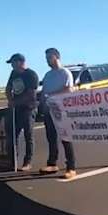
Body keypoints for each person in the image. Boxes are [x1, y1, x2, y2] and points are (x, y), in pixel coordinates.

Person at [39, 48, 77, 179]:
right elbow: (44, 92)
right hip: (48, 111)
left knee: (65, 138)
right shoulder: (48, 75)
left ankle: (71, 167)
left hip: (61, 112)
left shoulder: (65, 73)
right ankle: (52, 163)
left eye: (49, 57)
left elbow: (68, 90)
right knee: (51, 138)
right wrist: (42, 104)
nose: (47, 61)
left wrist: (51, 95)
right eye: (46, 58)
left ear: (56, 57)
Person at [5, 53, 39, 171]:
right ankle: (12, 161)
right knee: (12, 135)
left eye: (13, 62)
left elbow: (31, 94)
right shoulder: (13, 74)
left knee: (28, 135)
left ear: (20, 62)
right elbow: (8, 88)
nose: (12, 66)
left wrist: (16, 102)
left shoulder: (31, 75)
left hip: (28, 108)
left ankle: (27, 162)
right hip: (16, 109)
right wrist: (10, 100)